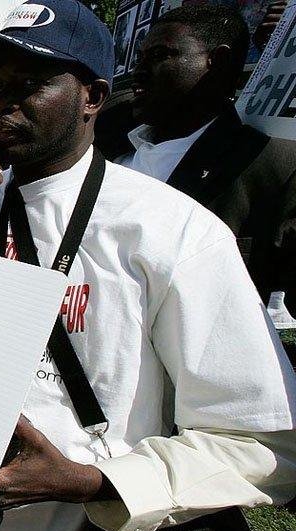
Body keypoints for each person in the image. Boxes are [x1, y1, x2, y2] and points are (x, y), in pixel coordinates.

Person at [0, 0, 296, 531]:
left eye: (30, 83)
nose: (3, 104)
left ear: (93, 98)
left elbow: (264, 445)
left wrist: (90, 482)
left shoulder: (171, 232)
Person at [114, 4, 296, 325]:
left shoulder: (267, 168)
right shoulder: (104, 140)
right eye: (140, 57)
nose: (137, 72)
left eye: (159, 56)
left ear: (218, 62)